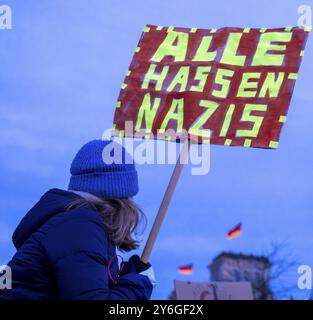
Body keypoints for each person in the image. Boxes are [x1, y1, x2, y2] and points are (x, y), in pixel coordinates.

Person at [0, 139, 155, 300]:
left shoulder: (74, 222)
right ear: (122, 195)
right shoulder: (79, 227)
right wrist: (140, 284)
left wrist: (126, 278)